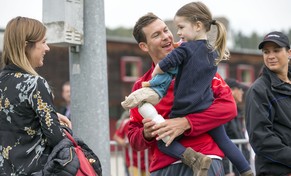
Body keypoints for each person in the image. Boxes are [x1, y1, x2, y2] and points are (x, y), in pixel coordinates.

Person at [126, 2, 253, 175]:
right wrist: (146, 134)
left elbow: (228, 108)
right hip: (163, 167)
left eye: (165, 30)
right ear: (144, 46)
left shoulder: (198, 65)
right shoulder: (141, 86)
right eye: (156, 35)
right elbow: (133, 138)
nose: (166, 36)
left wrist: (186, 123)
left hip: (206, 159)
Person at [0, 16, 71, 175]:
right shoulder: (34, 84)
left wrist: (51, 114)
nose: (47, 48)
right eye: (43, 42)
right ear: (26, 46)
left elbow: (12, 116)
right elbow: (56, 138)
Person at [245, 31, 291, 175]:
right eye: (266, 52)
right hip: (276, 171)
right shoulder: (258, 91)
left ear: (289, 53)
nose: (271, 56)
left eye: (276, 50)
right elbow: (260, 138)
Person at [224, 78, 251, 176]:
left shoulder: (237, 112)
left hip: (240, 166)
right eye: (239, 89)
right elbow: (221, 141)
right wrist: (226, 170)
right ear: (231, 90)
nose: (242, 92)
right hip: (232, 167)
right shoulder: (224, 113)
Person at [113, 110, 150, 176]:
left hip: (148, 160)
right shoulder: (126, 122)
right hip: (132, 161)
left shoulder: (149, 121)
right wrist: (124, 143)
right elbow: (116, 136)